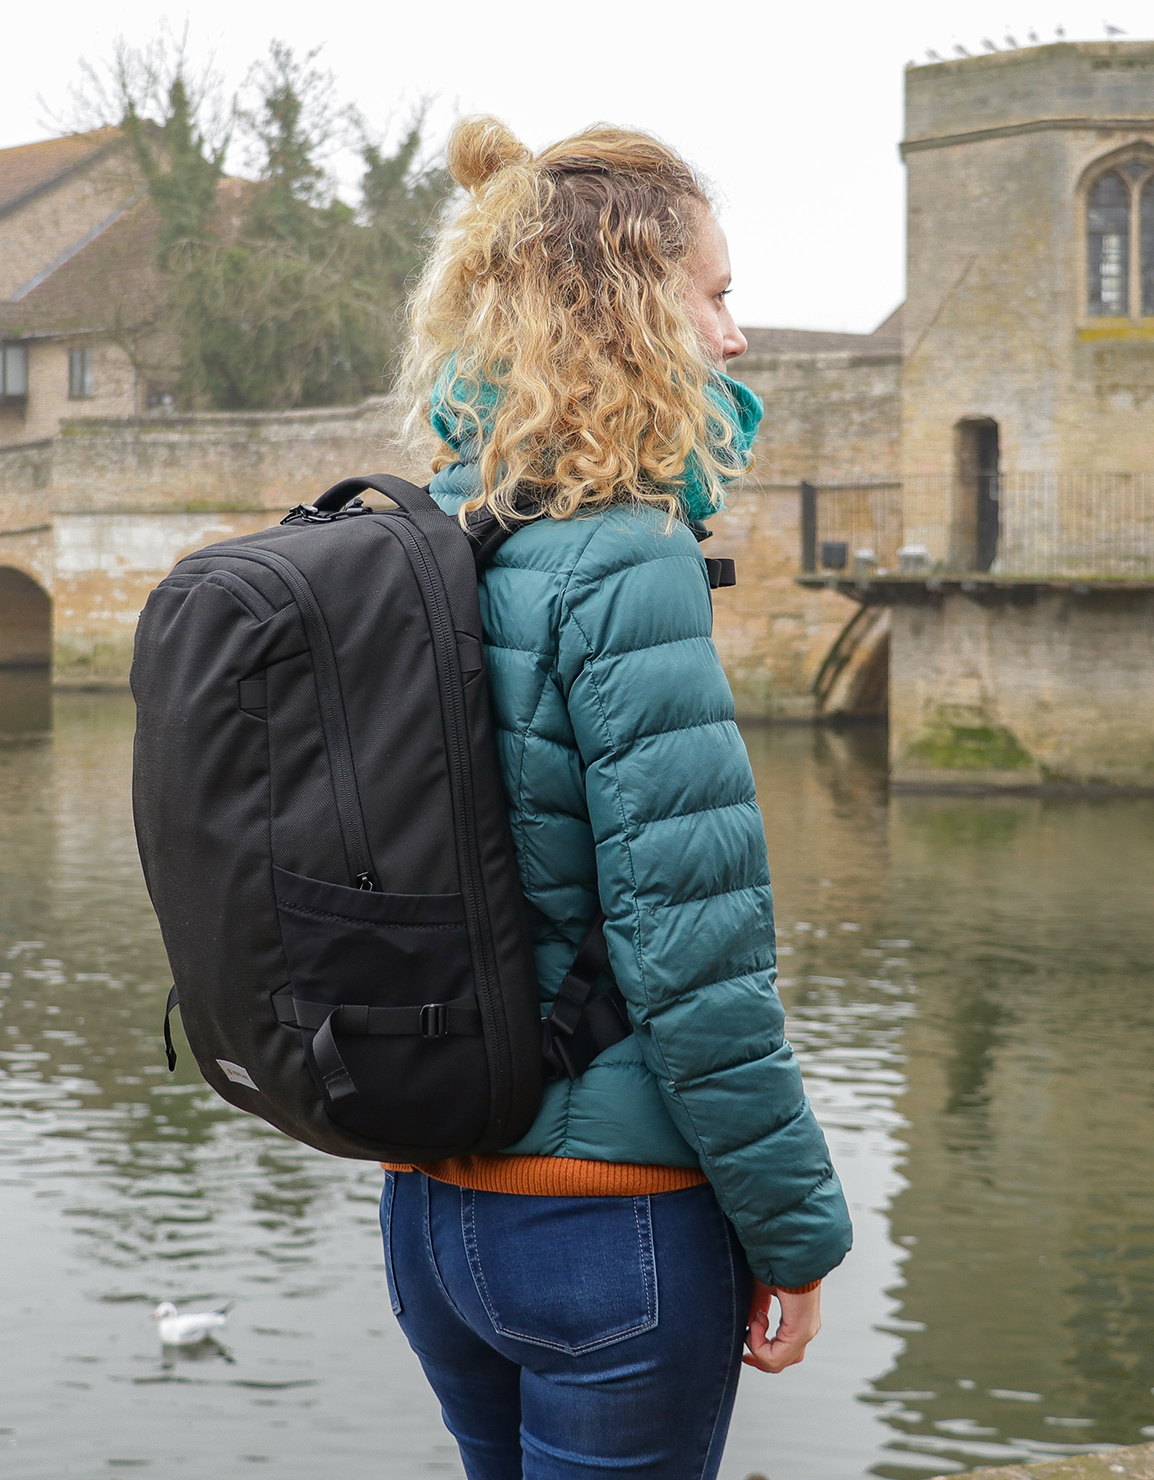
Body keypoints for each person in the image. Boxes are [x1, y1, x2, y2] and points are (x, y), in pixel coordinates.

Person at [377, 115, 853, 1480]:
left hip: (435, 1215)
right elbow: (692, 962)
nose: (737, 337)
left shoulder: (432, 538)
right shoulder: (627, 560)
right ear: (631, 313)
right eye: (715, 295)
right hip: (607, 1229)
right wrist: (796, 1235)